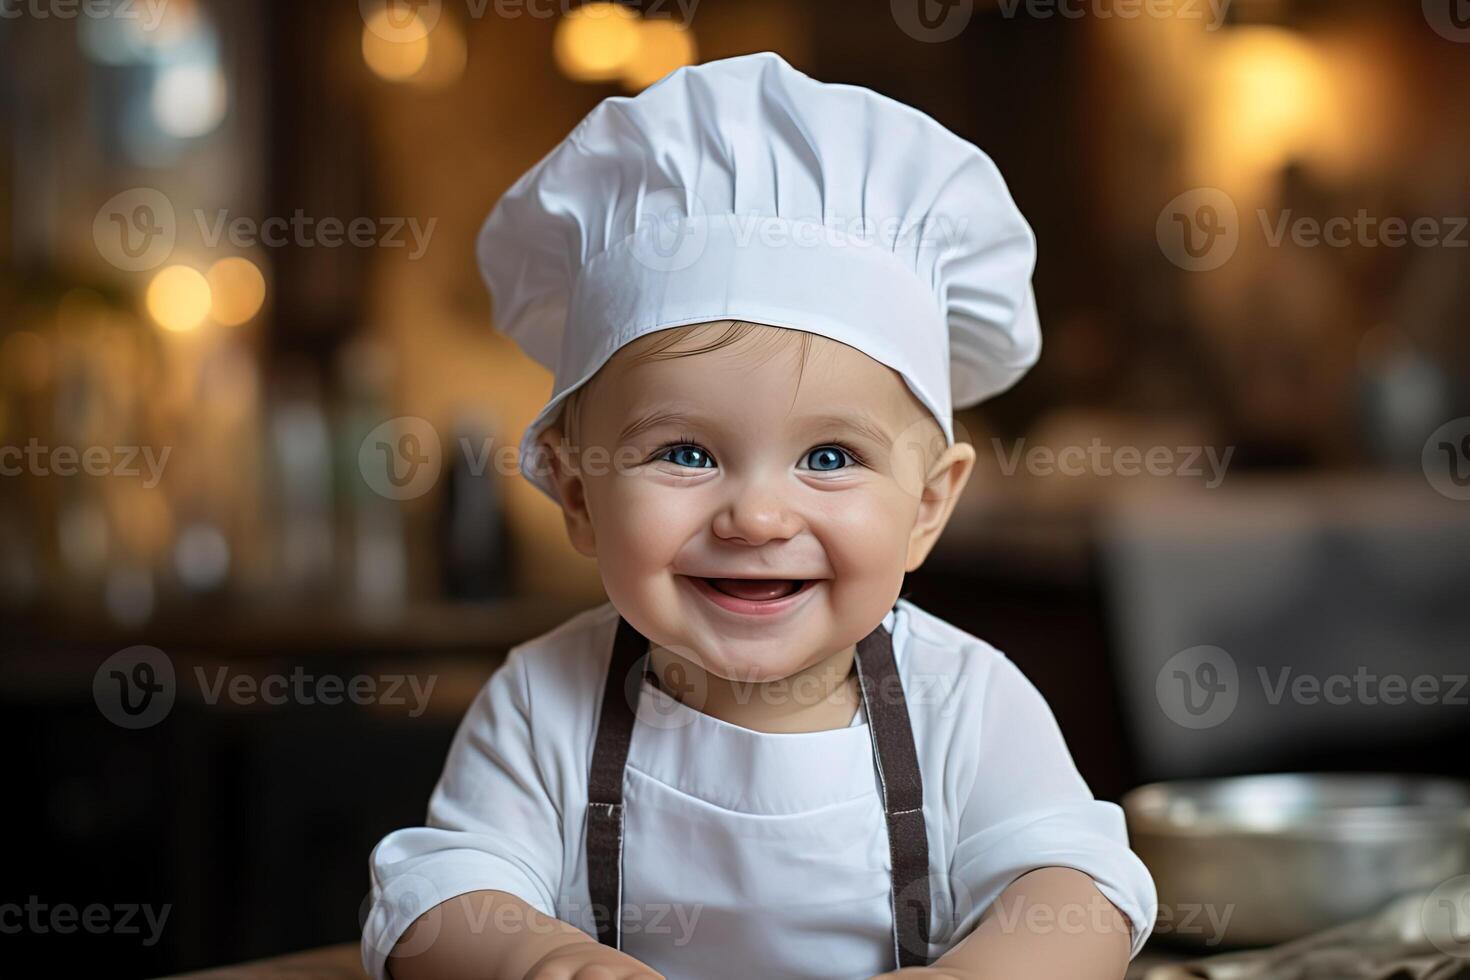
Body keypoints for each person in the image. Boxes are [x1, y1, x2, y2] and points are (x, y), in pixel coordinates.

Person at [362, 51, 1156, 980]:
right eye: (685, 454)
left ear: (928, 506)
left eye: (830, 458)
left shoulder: (964, 705)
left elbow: (1077, 891)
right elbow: (437, 898)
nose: (756, 517)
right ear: (577, 494)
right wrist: (539, 960)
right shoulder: (544, 706)